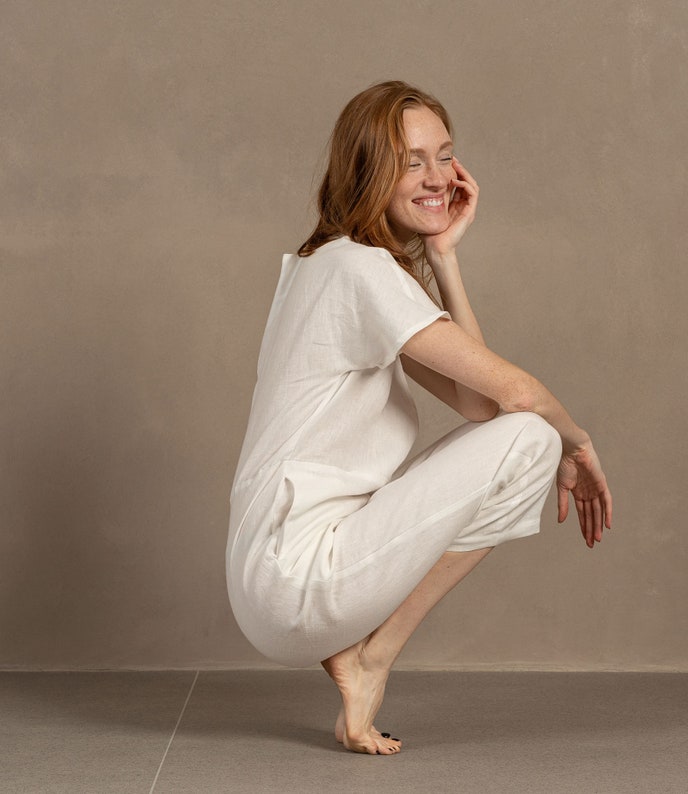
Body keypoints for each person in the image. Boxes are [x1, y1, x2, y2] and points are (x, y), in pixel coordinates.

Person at [226, 80, 612, 755]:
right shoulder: (359, 272)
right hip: (299, 580)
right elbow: (514, 401)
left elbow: (478, 404)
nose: (438, 178)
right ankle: (373, 660)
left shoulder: (328, 266)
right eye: (412, 161)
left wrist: (443, 256)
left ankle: (356, 657)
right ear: (367, 169)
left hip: (276, 580)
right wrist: (577, 442)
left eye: (446, 156)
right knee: (534, 437)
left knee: (520, 433)